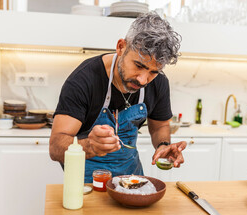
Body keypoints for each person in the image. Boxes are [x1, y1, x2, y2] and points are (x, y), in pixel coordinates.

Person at [49, 11, 187, 183]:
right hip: (86, 183)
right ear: (121, 47)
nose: (143, 80)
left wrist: (163, 145)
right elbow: (55, 147)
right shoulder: (84, 80)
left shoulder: (158, 83)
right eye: (138, 65)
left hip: (131, 179)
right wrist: (89, 146)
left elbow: (160, 127)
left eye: (153, 72)